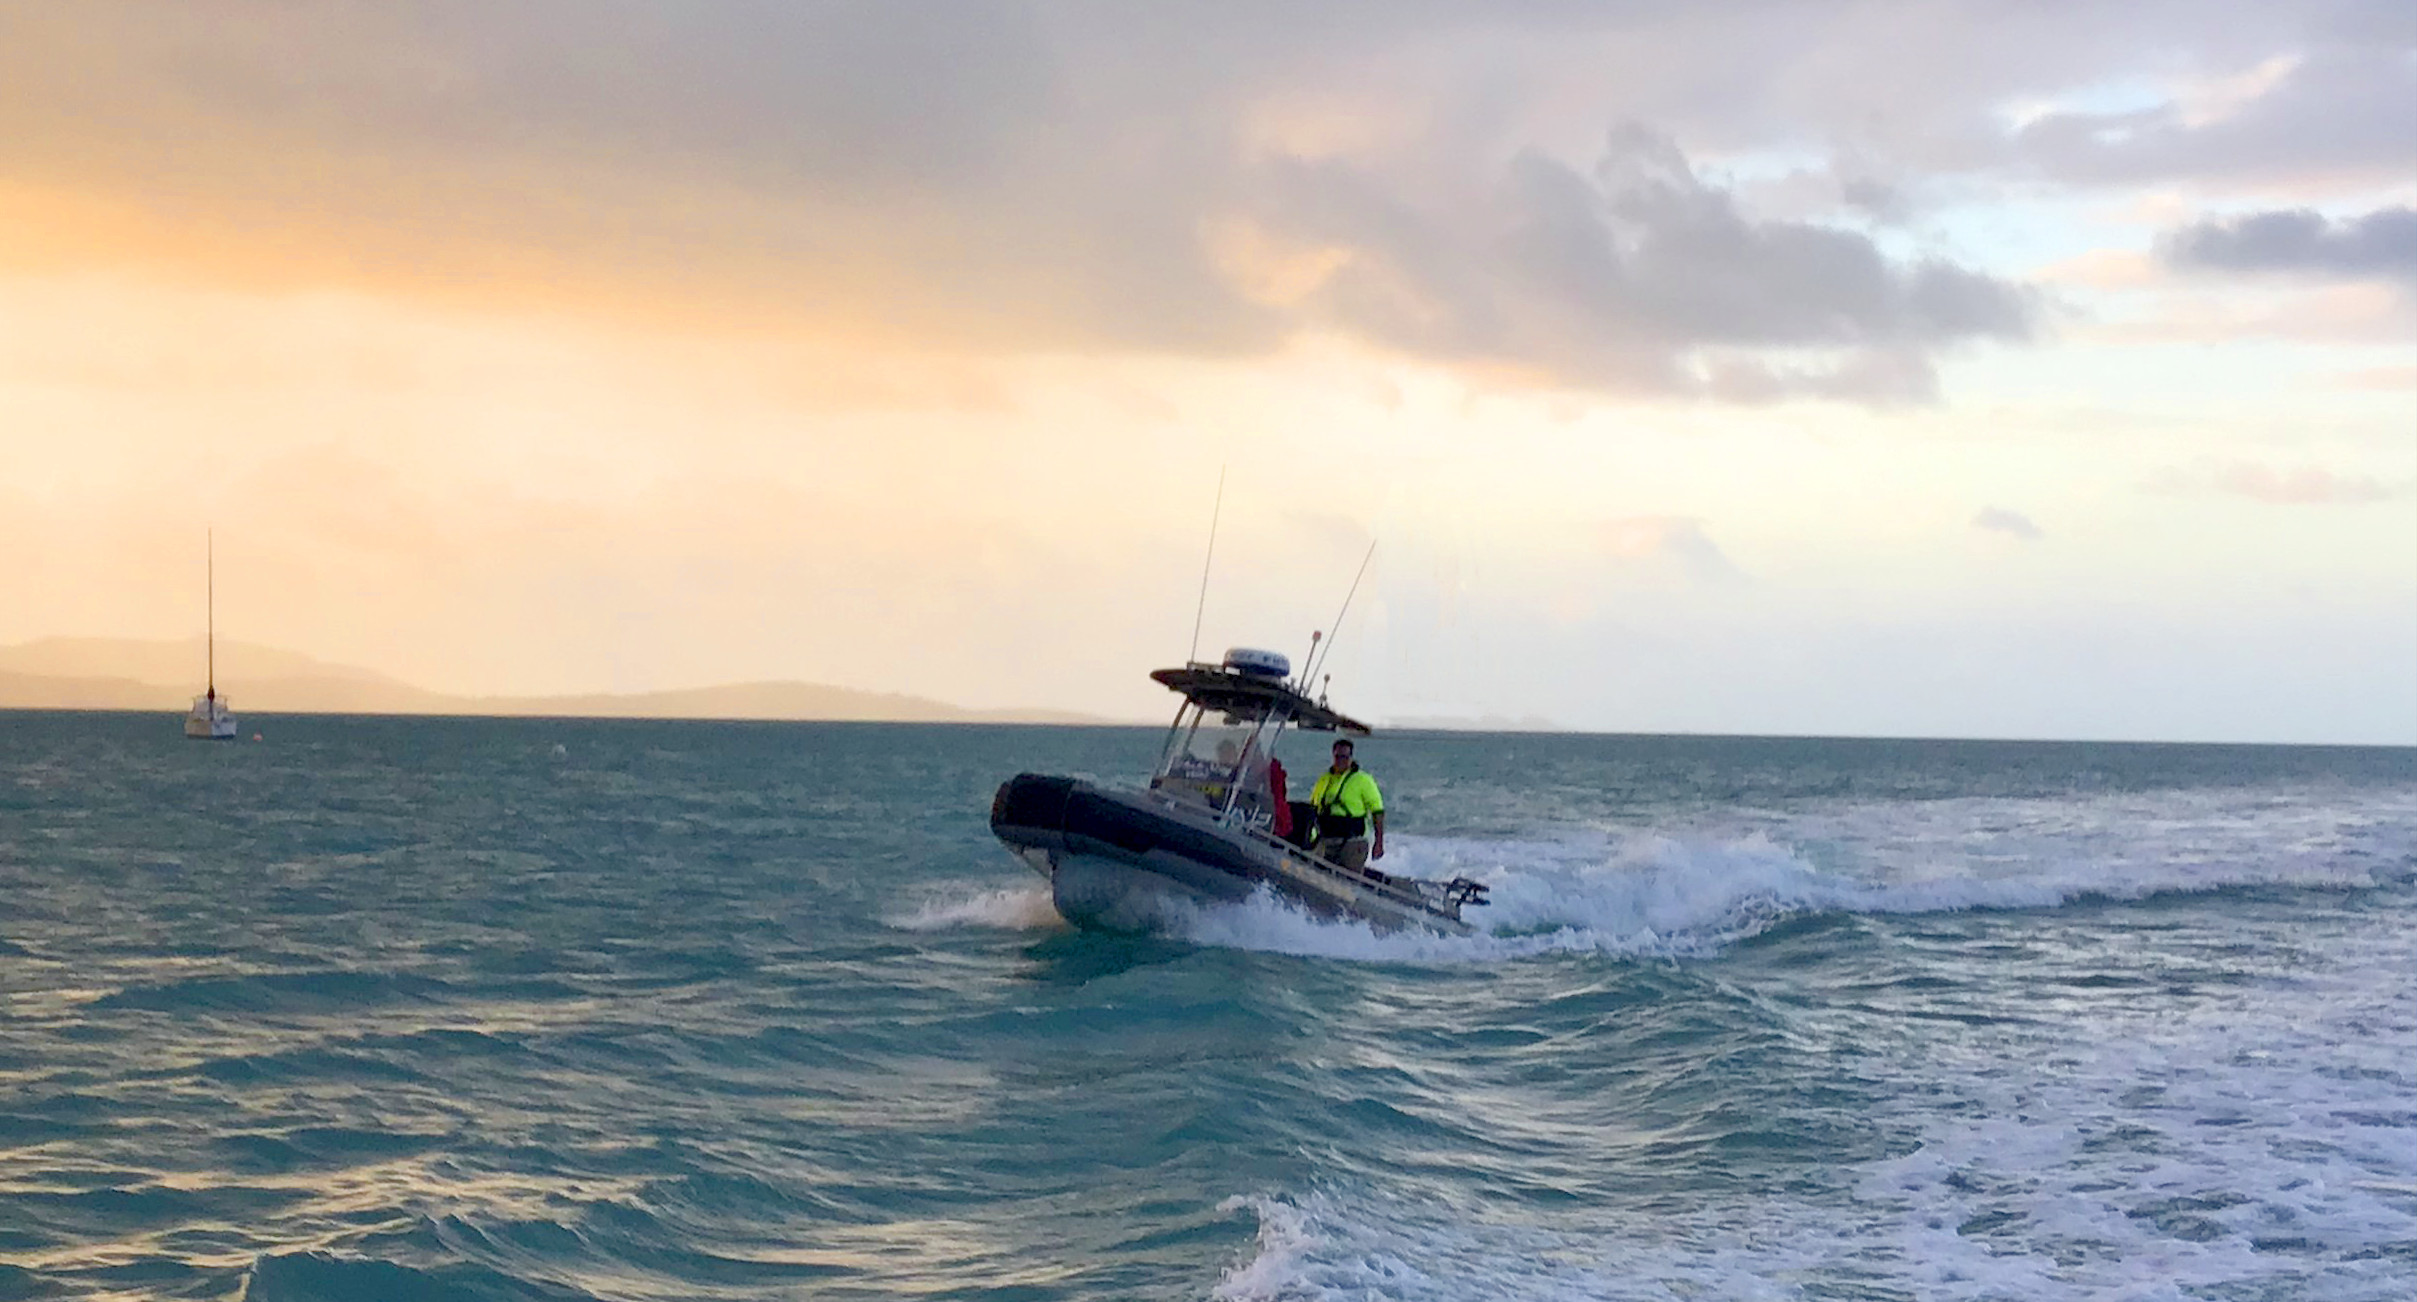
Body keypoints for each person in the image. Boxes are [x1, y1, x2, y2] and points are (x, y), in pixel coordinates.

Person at [1307, 737, 1384, 872]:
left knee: (1347, 878)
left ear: (1351, 757)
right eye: (1338, 757)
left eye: (1345, 757)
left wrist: (1378, 843)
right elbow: (1313, 807)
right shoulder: (1325, 779)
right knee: (1312, 867)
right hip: (1326, 838)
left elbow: (1377, 812)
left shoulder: (1363, 780)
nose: (1341, 761)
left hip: (1352, 841)